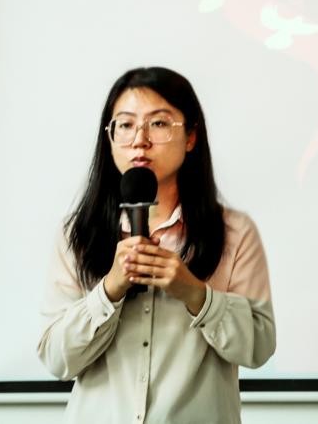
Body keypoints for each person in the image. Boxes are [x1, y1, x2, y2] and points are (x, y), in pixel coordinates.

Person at [38, 67, 276, 423]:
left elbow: (259, 346)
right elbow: (56, 359)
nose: (140, 139)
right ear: (110, 137)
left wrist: (196, 294)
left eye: (159, 123)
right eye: (125, 124)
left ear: (191, 136)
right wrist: (109, 290)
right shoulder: (77, 233)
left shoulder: (234, 232)